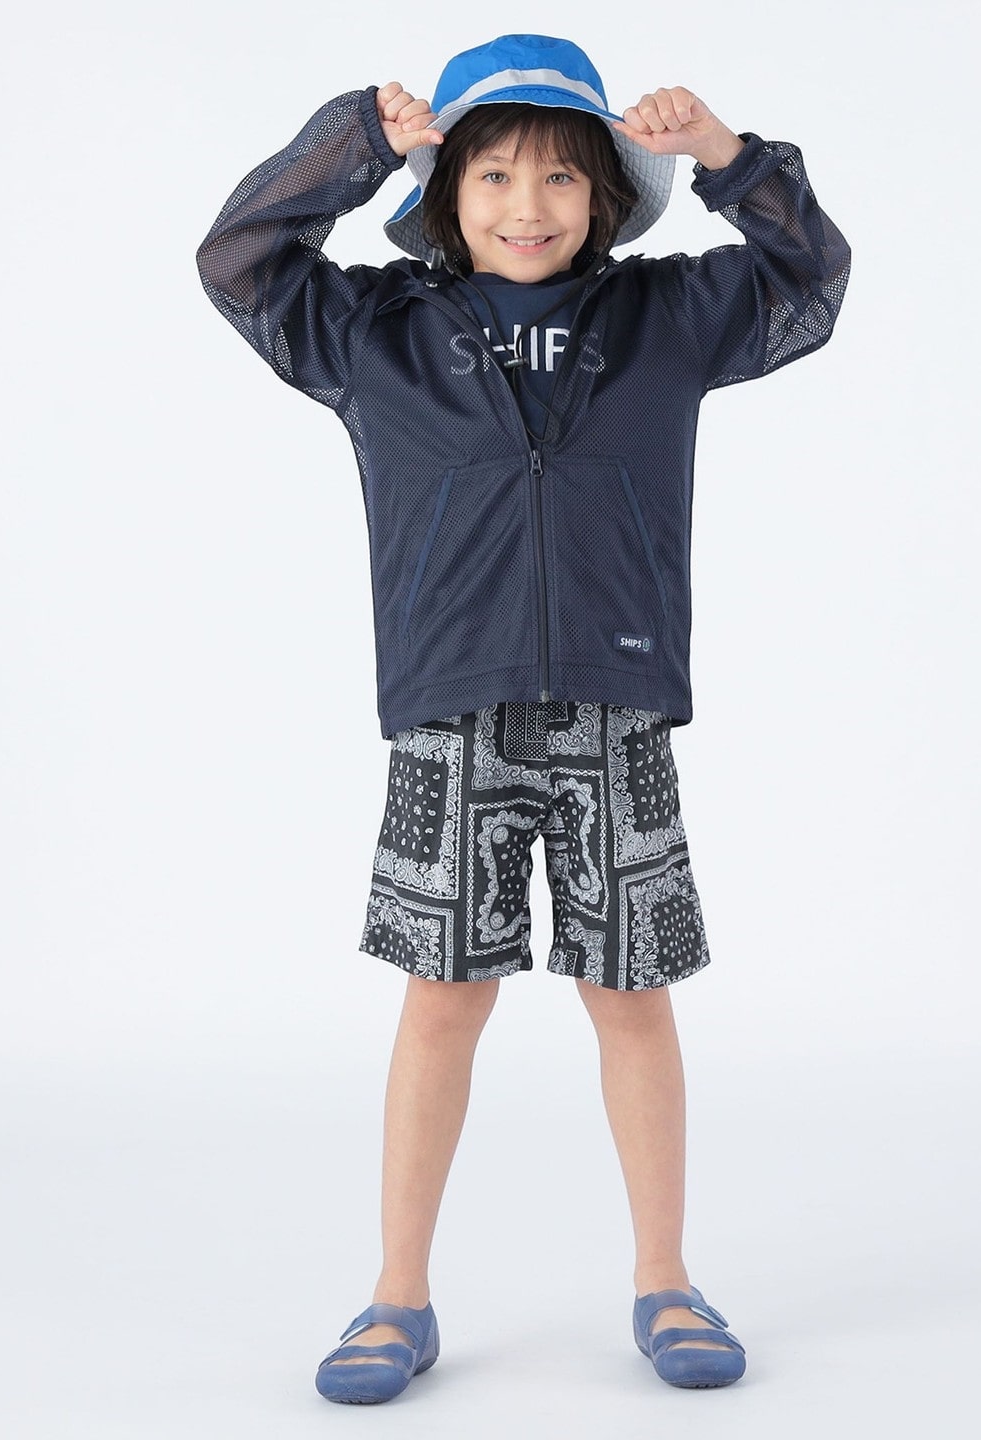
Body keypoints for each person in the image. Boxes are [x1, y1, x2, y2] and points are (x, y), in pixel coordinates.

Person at [196, 31, 850, 1404]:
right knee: (442, 1003)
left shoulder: (667, 318)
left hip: (617, 707)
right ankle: (397, 1296)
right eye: (493, 174)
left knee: (632, 999)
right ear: (447, 193)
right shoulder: (374, 334)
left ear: (604, 194)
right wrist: (358, 138)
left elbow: (812, 279)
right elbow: (240, 259)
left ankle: (666, 1280)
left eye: (560, 174)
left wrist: (726, 157)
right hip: (454, 710)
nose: (526, 205)